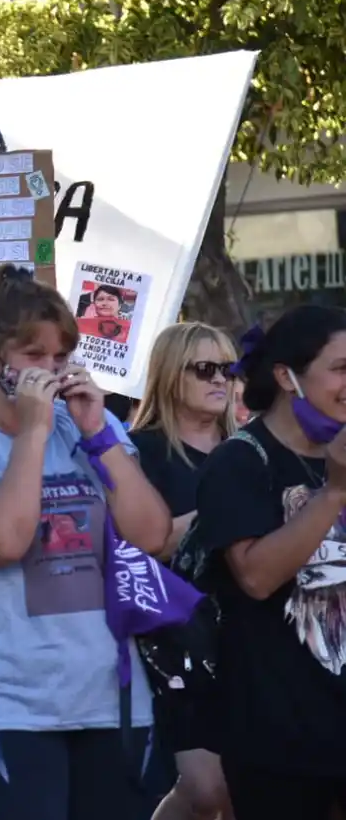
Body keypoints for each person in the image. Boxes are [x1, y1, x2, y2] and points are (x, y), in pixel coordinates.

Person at [0, 265, 171, 820]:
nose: (52, 371)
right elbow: (0, 541)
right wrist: (31, 432)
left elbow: (150, 536)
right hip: (8, 700)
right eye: (34, 356)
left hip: (110, 694)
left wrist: (100, 435)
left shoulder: (89, 427)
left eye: (61, 357)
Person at [193, 305, 346, 818]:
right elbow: (256, 577)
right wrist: (333, 493)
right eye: (341, 368)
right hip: (279, 735)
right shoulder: (240, 461)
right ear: (286, 377)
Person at [127, 323, 237, 820]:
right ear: (172, 375)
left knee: (247, 784)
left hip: (253, 626)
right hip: (174, 634)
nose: (221, 379)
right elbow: (140, 544)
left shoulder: (249, 447)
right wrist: (218, 510)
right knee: (207, 788)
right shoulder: (140, 451)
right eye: (204, 368)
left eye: (228, 369)